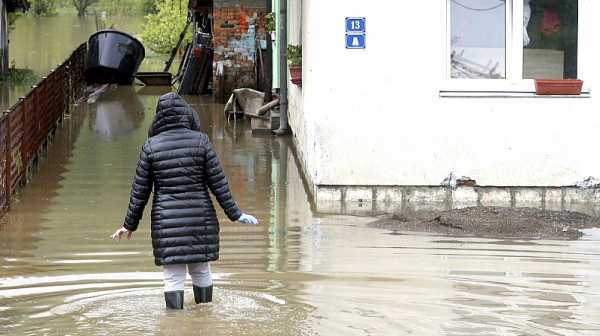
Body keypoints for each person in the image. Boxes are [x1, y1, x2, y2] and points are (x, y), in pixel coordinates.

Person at [110, 92, 258, 309]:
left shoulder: (150, 147)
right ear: (186, 114)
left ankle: (174, 324)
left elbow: (140, 191)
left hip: (166, 223)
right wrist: (236, 214)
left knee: (172, 275)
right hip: (201, 219)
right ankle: (205, 317)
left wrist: (129, 224)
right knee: (201, 270)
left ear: (159, 117)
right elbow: (219, 183)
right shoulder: (201, 142)